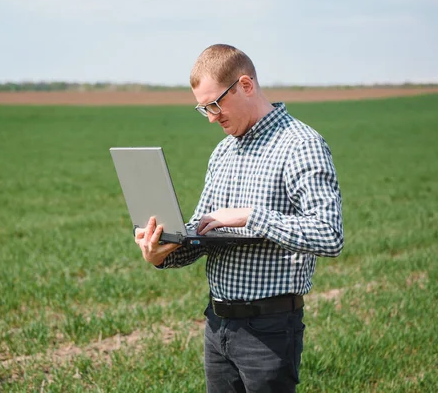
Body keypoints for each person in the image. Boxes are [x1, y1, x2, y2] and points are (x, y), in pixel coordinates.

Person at [134, 44, 344, 392]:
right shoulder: (223, 152)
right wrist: (163, 251)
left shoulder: (301, 144)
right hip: (217, 327)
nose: (213, 117)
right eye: (204, 109)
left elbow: (329, 235)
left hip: (270, 331)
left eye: (216, 104)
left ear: (246, 85)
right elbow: (203, 232)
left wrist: (250, 216)